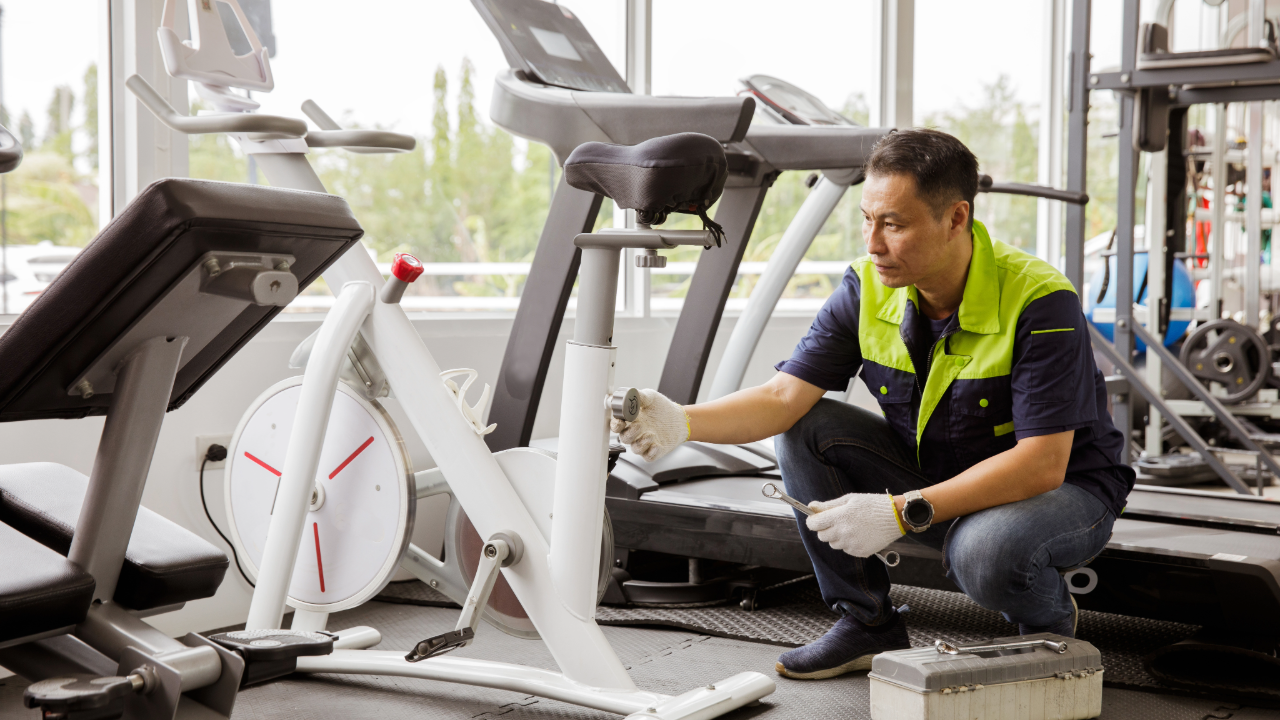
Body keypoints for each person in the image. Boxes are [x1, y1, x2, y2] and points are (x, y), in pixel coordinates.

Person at [610, 129, 1134, 681]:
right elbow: (783, 398)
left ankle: (1049, 629)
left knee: (984, 553)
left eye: (894, 224)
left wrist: (900, 510)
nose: (873, 243)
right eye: (868, 219)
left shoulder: (1039, 299)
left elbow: (1041, 465)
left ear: (956, 218)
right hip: (935, 478)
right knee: (804, 427)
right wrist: (683, 420)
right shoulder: (866, 287)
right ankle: (866, 623)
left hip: (1062, 492)